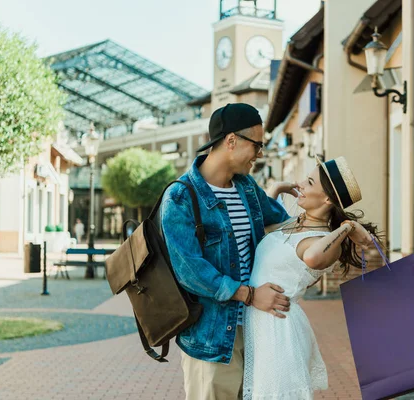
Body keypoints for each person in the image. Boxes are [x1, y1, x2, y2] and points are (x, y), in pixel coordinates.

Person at [160, 103, 298, 399]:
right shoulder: (181, 196)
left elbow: (284, 223)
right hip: (212, 337)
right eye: (257, 145)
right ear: (231, 141)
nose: (260, 154)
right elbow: (191, 272)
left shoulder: (247, 187)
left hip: (255, 329)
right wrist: (249, 294)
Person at [243, 156, 383, 400]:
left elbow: (312, 258)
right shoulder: (290, 223)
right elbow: (260, 217)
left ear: (327, 199)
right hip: (259, 325)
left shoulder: (325, 242)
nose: (300, 184)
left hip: (278, 331)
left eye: (308, 182)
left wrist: (346, 228)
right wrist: (277, 188)